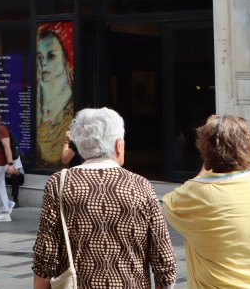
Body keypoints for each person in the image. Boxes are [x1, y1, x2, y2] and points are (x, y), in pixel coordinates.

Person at [31, 107, 177, 289]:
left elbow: (46, 254)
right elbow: (163, 258)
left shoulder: (59, 183)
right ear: (118, 145)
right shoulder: (141, 185)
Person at [162, 115, 250, 287]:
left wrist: (208, 161)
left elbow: (171, 203)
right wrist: (245, 160)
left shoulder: (192, 194)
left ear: (204, 149)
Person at [36, 28, 74, 166]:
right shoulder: (37, 100)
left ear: (65, 58)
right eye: (39, 57)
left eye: (51, 56)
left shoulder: (74, 107)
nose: (43, 63)